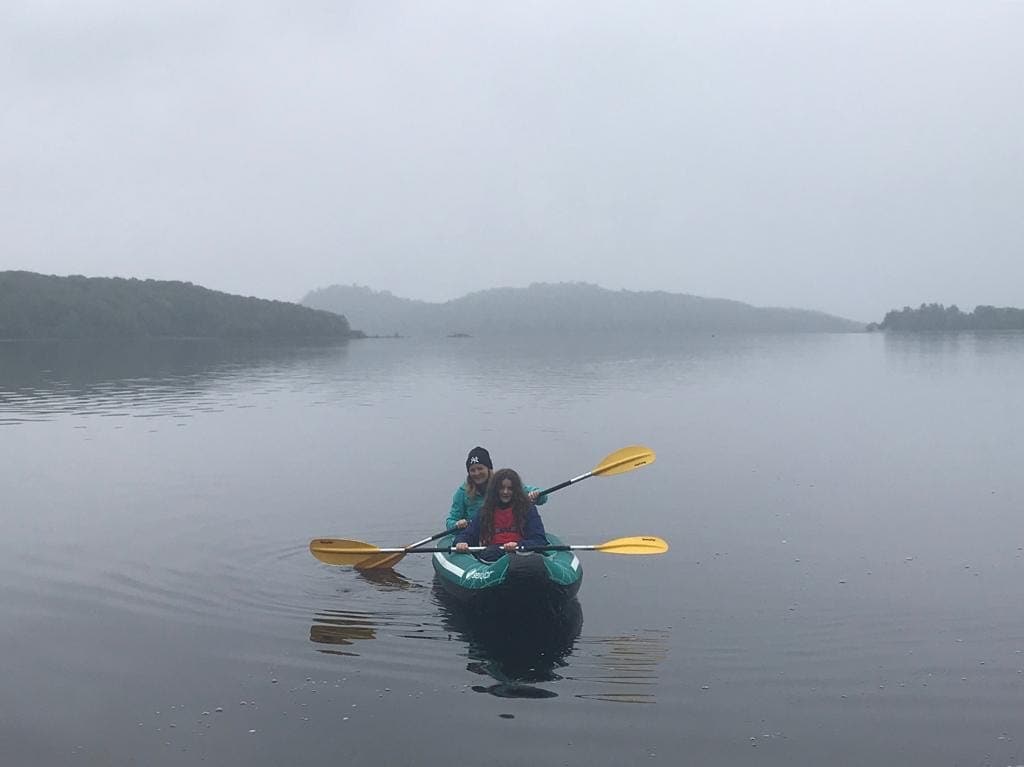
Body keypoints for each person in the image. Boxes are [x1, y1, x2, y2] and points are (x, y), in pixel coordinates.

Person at [454, 468, 548, 561]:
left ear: (516, 490)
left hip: (522, 555)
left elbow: (539, 540)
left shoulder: (528, 509)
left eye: (510, 488)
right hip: (493, 557)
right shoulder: (484, 511)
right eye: (501, 488)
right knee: (491, 553)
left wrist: (519, 545)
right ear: (495, 490)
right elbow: (469, 534)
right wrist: (461, 542)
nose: (505, 492)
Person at [445, 446, 546, 530]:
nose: (477, 473)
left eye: (480, 468)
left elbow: (542, 498)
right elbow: (450, 522)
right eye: (472, 470)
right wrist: (457, 524)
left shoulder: (502, 484)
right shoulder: (462, 492)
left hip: (505, 534)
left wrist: (536, 494)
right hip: (476, 538)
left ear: (489, 469)